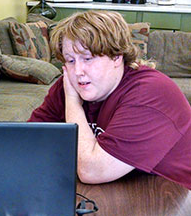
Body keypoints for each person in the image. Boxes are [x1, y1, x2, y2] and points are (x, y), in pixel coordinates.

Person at [28, 10, 191, 189]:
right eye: (70, 60)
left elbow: (92, 171)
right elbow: (28, 141)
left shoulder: (150, 93)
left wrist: (73, 103)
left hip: (169, 195)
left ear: (116, 57)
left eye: (87, 58)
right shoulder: (73, 84)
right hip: (115, 188)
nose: (77, 71)